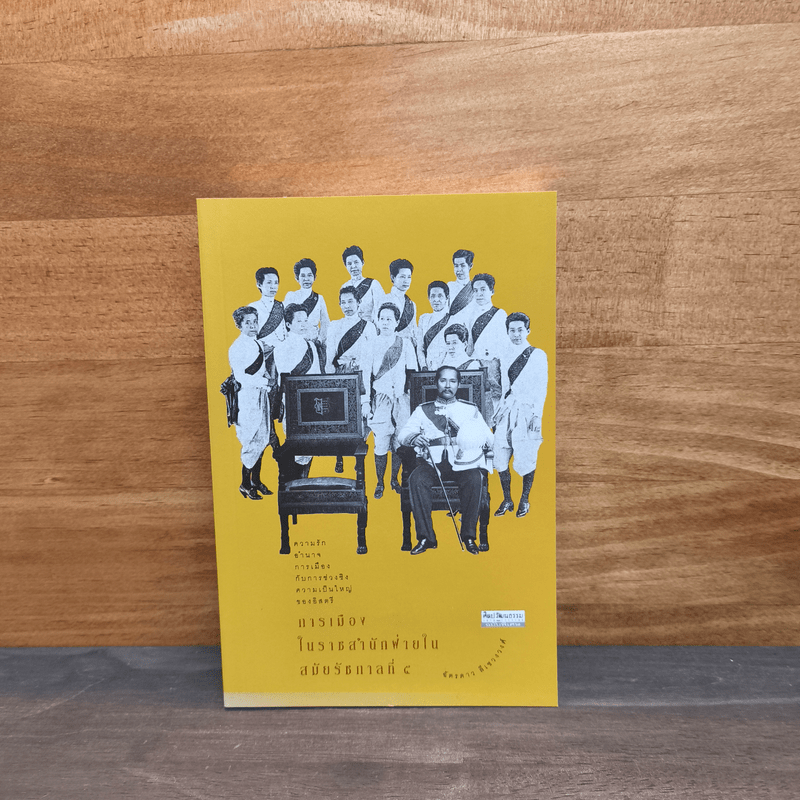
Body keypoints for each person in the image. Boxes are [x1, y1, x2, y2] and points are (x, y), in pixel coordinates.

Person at [398, 366, 493, 555]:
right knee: (416, 479)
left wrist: (474, 438)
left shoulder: (470, 410)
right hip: (431, 462)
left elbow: (488, 438)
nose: (447, 385)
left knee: (475, 478)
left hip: (463, 462)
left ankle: (469, 537)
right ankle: (426, 538)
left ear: (458, 384)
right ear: (436, 383)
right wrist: (415, 438)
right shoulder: (423, 410)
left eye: (452, 381)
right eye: (443, 380)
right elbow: (403, 435)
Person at [492, 313, 548, 518]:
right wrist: (498, 411)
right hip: (507, 408)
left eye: (520, 330)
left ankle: (525, 499)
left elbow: (541, 388)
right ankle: (507, 499)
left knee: (527, 453)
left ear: (528, 331)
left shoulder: (537, 355)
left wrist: (537, 416)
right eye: (512, 330)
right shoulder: (504, 353)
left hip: (527, 411)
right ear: (507, 332)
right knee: (499, 454)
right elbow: (502, 387)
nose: (516, 334)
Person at [365, 303, 418, 498]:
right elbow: (365, 376)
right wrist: (365, 402)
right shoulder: (371, 343)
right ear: (377, 321)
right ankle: (379, 482)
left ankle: (394, 479)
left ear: (396, 322)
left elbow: (412, 371)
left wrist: (407, 396)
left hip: (402, 400)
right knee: (381, 440)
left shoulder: (405, 343)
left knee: (399, 440)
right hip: (381, 399)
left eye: (389, 319)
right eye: (382, 319)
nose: (385, 322)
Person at [326, 285, 376, 472]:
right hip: (339, 377)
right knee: (338, 416)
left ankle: (358, 455)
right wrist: (330, 379)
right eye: (343, 302)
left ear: (359, 303)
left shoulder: (368, 327)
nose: (347, 306)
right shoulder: (334, 325)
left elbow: (369, 359)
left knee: (361, 417)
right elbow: (330, 356)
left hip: (361, 376)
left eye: (350, 301)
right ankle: (339, 455)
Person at [227, 306, 274, 500]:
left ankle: (256, 481)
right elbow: (241, 377)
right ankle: (245, 484)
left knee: (262, 438)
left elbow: (262, 369)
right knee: (250, 439)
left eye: (255, 322)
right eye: (248, 323)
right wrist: (265, 382)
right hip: (247, 399)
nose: (253, 326)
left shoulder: (258, 343)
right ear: (239, 325)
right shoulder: (236, 347)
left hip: (261, 396)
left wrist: (267, 379)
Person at [283, 258, 330, 369]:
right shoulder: (291, 296)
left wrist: (319, 340)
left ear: (315, 277)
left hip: (313, 344)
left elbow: (325, 323)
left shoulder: (319, 298)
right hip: (294, 344)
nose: (306, 279)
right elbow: (284, 322)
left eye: (309, 275)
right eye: (303, 276)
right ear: (297, 278)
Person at [340, 245, 385, 322]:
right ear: (345, 266)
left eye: (356, 262)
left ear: (362, 262)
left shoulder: (373, 284)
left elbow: (381, 310)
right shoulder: (344, 286)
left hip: (370, 326)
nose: (353, 266)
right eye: (349, 264)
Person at [379, 258, 417, 342]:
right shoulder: (384, 299)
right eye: (402, 277)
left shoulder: (411, 304)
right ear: (393, 277)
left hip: (407, 345)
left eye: (409, 277)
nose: (406, 281)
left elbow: (413, 330)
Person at [416, 280, 450, 370]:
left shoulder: (452, 319)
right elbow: (420, 348)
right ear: (429, 298)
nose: (436, 300)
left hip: (447, 368)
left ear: (447, 297)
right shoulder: (424, 319)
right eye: (433, 296)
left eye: (440, 296)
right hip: (427, 369)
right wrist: (423, 366)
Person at [447, 249, 476, 326]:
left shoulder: (475, 288)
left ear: (470, 266)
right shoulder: (449, 286)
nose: (459, 270)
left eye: (462, 266)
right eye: (456, 266)